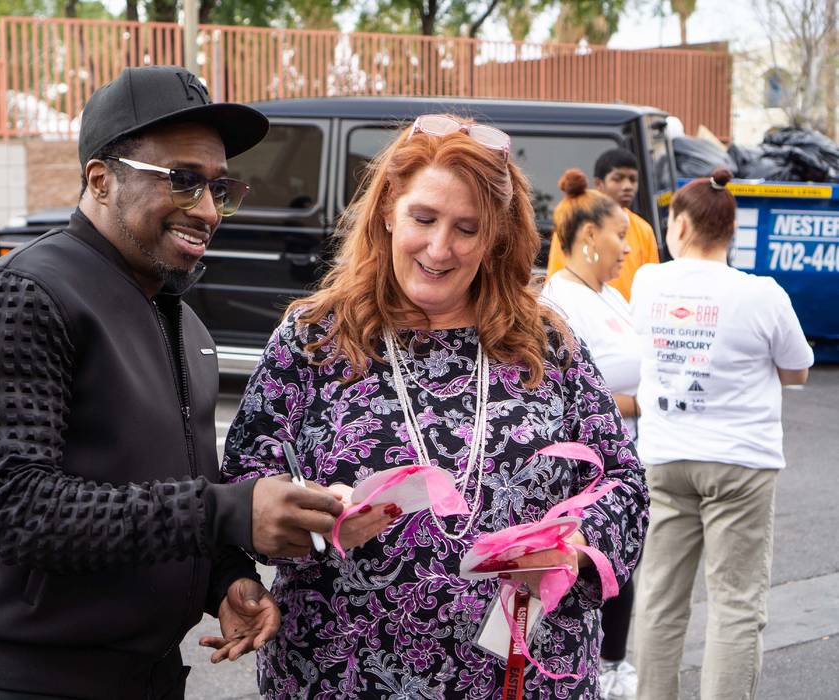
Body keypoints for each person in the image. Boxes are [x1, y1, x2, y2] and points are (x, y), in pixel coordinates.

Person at [0, 66, 345, 700]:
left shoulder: (182, 319)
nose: (207, 210)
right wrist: (229, 513)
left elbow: (167, 481)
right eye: (183, 182)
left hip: (148, 676)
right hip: (30, 683)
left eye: (220, 187)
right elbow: (7, 509)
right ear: (100, 179)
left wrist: (223, 578)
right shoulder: (23, 294)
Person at [221, 114, 649, 698]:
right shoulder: (315, 339)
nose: (440, 247)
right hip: (343, 674)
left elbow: (624, 482)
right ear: (389, 208)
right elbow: (242, 491)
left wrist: (572, 548)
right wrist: (311, 511)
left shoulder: (544, 343)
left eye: (467, 228)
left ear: (497, 235)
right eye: (424, 218)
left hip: (525, 676)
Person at [630, 168, 813, 700]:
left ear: (681, 226)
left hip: (664, 456)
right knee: (735, 603)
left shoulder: (648, 281)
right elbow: (798, 369)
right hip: (740, 462)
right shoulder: (762, 294)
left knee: (661, 597)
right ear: (730, 231)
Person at [540, 169, 641, 700]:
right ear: (587, 238)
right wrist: (646, 403)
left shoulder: (609, 297)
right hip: (583, 476)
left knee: (622, 568)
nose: (627, 246)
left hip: (625, 462)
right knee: (587, 576)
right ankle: (597, 668)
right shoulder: (561, 304)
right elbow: (571, 395)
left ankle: (612, 662)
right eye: (619, 234)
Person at [547, 148, 660, 301]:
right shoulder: (573, 223)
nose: (627, 186)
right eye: (618, 179)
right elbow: (556, 275)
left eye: (633, 179)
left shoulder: (644, 229)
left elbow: (651, 284)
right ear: (599, 184)